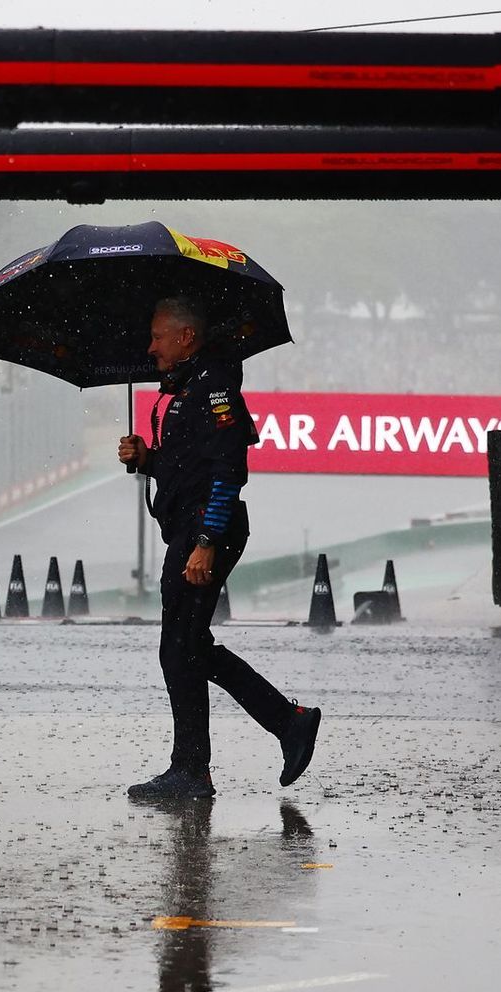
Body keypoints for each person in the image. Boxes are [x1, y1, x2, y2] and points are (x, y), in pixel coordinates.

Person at [117, 294, 321, 801]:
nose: (151, 347)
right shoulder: (185, 385)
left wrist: (206, 542)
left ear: (186, 336)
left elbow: (228, 471)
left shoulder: (215, 387)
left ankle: (201, 766)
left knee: (181, 649)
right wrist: (148, 458)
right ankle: (276, 727)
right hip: (189, 529)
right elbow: (189, 466)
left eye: (159, 336)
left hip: (208, 531)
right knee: (184, 649)